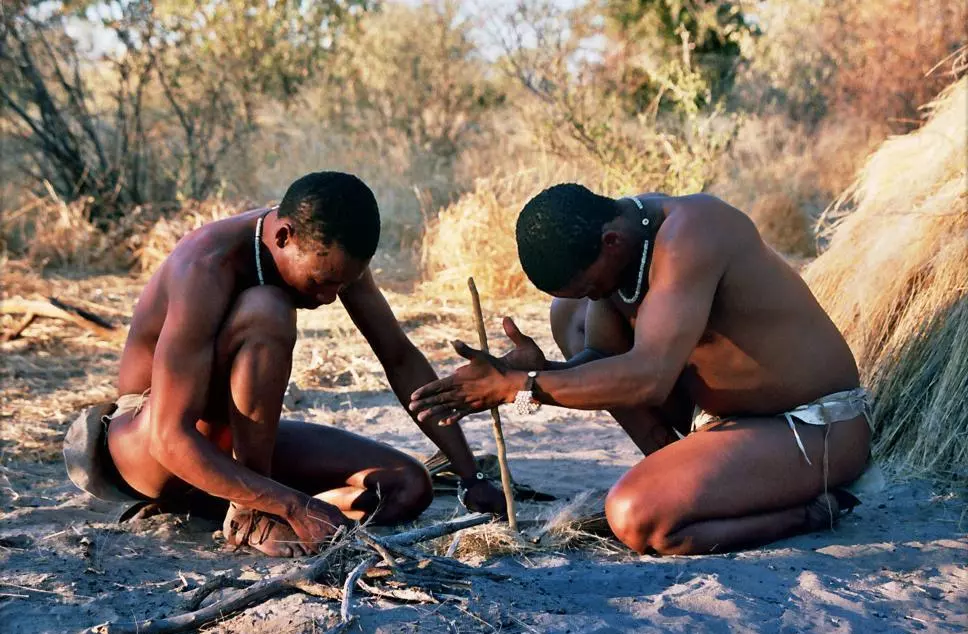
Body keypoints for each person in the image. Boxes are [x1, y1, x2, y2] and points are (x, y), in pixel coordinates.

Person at [409, 184, 872, 555]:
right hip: (726, 424)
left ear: (611, 242)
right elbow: (608, 364)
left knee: (635, 517)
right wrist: (542, 372)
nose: (595, 297)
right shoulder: (625, 242)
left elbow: (650, 378)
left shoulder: (694, 232)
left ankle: (810, 512)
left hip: (813, 427)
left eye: (592, 286)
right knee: (566, 317)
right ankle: (686, 477)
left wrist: (523, 387)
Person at [64, 171, 505, 557]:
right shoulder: (206, 266)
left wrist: (469, 476)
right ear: (283, 237)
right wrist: (293, 505)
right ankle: (252, 512)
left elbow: (398, 356)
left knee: (408, 486)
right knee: (268, 308)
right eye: (322, 282)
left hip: (225, 446)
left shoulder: (330, 248)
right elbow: (168, 438)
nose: (330, 296)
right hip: (148, 445)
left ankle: (231, 496)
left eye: (343, 283)